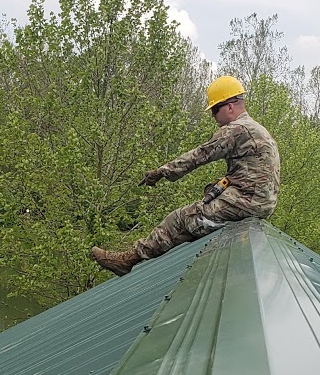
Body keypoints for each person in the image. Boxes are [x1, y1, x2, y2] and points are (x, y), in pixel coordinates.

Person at [89, 75, 280, 276]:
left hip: (247, 203)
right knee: (202, 207)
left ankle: (128, 260)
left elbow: (200, 155)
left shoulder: (237, 129)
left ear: (230, 106)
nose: (213, 116)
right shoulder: (257, 129)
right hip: (260, 203)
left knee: (181, 218)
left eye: (215, 110)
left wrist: (162, 172)